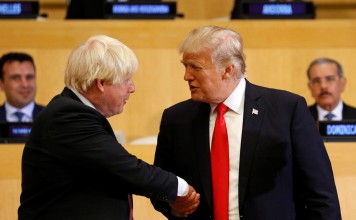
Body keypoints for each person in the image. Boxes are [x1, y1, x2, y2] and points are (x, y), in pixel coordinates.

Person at [151, 26, 341, 219]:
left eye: (195, 67)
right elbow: (160, 186)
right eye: (185, 66)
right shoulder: (176, 119)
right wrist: (174, 208)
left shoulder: (287, 110)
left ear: (227, 70)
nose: (187, 76)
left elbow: (321, 196)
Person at [18, 35, 200, 220]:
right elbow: (126, 169)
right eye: (126, 79)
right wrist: (182, 189)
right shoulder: (67, 117)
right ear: (101, 83)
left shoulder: (72, 112)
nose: (132, 88)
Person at [307, 57, 356, 122]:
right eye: (316, 81)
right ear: (310, 87)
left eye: (329, 79)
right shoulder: (300, 117)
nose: (323, 86)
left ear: (342, 83)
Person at [0, 52, 44, 122]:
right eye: (16, 78)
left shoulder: (53, 118)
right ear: (1, 83)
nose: (25, 84)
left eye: (29, 77)